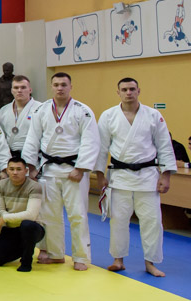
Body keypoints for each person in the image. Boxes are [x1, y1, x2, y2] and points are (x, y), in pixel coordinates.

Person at [93, 77, 176, 277]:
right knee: (118, 221)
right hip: (119, 176)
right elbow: (101, 147)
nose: (128, 93)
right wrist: (99, 174)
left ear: (139, 91)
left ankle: (151, 263)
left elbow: (164, 146)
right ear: (118, 92)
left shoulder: (154, 115)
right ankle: (118, 260)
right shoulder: (108, 116)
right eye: (124, 89)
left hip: (148, 176)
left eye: (132, 89)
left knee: (152, 222)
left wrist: (166, 175)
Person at [21, 72, 99, 271]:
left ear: (71, 86)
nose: (60, 88)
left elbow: (90, 141)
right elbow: (32, 138)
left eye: (64, 84)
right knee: (50, 214)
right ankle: (55, 253)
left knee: (77, 214)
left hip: (74, 170)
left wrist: (80, 168)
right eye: (56, 84)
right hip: (49, 168)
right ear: (51, 87)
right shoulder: (41, 110)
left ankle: (81, 257)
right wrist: (31, 167)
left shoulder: (83, 111)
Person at [0, 157, 45, 272]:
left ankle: (26, 261)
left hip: (32, 228)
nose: (15, 172)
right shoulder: (0, 185)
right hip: (10, 228)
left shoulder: (35, 186)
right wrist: (5, 218)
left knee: (27, 225)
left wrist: (5, 217)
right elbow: (0, 210)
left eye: (19, 169)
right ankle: (24, 247)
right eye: (11, 169)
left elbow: (31, 215)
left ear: (26, 171)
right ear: (7, 170)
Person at [0, 75, 42, 160]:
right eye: (16, 88)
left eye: (23, 87)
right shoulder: (3, 110)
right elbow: (0, 136)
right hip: (10, 157)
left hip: (33, 157)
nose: (19, 90)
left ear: (30, 90)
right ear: (11, 90)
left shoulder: (41, 108)